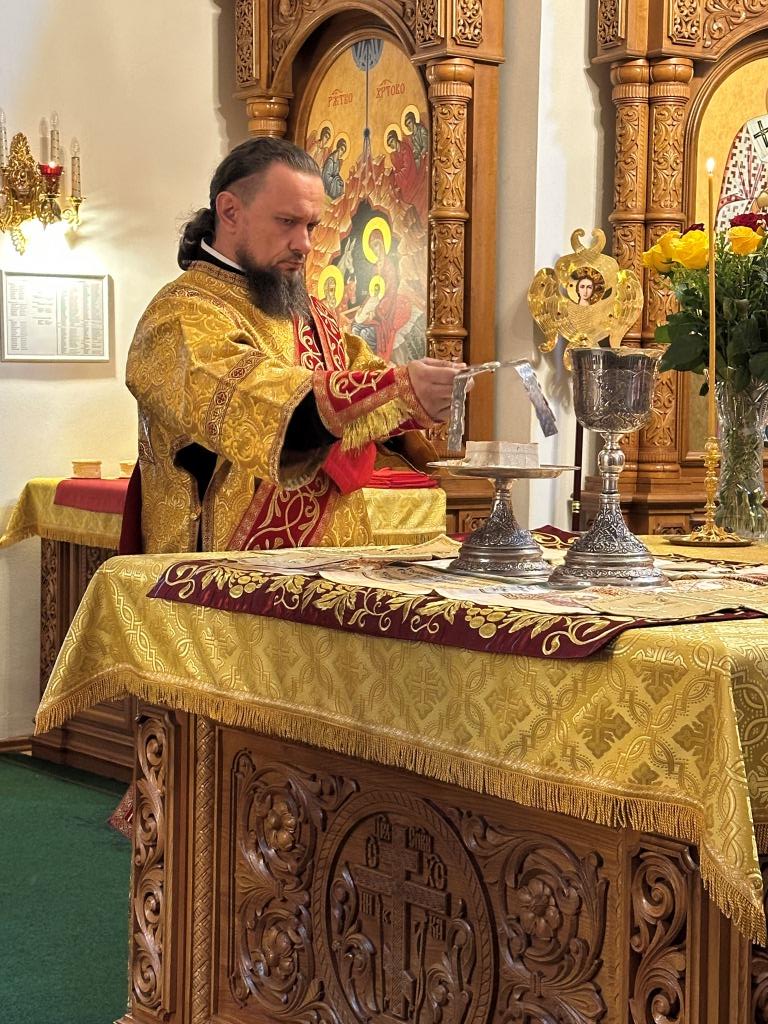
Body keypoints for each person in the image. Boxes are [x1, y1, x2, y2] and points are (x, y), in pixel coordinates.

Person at [126, 136, 463, 553]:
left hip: (331, 567)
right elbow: (257, 406)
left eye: (311, 226)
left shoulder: (311, 312)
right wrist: (395, 388)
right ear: (230, 211)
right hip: (219, 574)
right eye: (287, 222)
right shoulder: (180, 315)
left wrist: (424, 394)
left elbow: (370, 387)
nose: (304, 244)